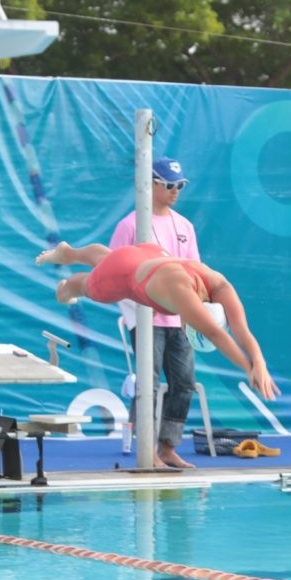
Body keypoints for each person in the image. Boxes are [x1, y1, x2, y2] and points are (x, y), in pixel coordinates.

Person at [35, 241, 279, 403]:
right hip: (124, 271)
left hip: (151, 253)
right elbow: (216, 334)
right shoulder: (183, 295)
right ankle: (67, 285)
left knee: (107, 259)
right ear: (190, 324)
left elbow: (241, 330)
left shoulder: (219, 285)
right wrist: (248, 369)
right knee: (86, 287)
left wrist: (259, 363)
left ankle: (70, 253)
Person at [109, 157, 201, 468]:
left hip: (179, 318)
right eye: (170, 185)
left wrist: (193, 310)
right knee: (147, 384)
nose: (176, 191)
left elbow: (194, 272)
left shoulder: (184, 226)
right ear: (151, 184)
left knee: (184, 382)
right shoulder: (130, 225)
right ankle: (145, 448)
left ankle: (167, 447)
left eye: (180, 185)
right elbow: (113, 270)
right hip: (146, 317)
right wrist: (135, 309)